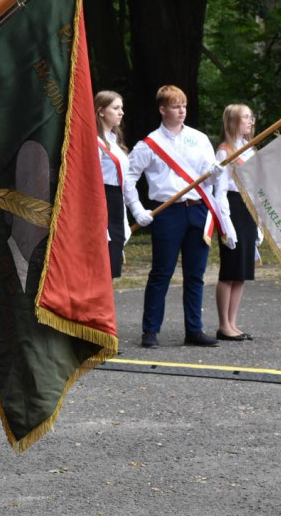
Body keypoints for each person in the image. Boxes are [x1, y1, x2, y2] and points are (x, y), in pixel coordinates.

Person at [123, 85, 234, 348]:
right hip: (167, 212)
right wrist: (138, 209)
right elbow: (128, 176)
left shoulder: (199, 138)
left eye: (183, 105)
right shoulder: (149, 144)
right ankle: (150, 330)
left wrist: (216, 172)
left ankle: (194, 329)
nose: (181, 110)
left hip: (198, 208)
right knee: (162, 272)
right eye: (175, 106)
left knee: (195, 274)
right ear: (162, 110)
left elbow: (209, 173)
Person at [214, 104, 262, 341]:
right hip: (231, 207)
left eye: (251, 117)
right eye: (245, 117)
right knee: (230, 270)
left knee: (242, 271)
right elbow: (220, 191)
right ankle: (224, 324)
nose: (250, 121)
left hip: (247, 208)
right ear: (233, 121)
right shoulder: (225, 151)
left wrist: (259, 221)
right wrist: (226, 224)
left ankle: (233, 322)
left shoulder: (249, 149)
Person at [95, 90, 136, 278]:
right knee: (101, 265)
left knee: (112, 267)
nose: (121, 112)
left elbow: (124, 182)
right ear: (101, 111)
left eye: (122, 108)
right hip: (101, 202)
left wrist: (132, 214)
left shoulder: (115, 142)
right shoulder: (94, 142)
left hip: (115, 202)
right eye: (116, 108)